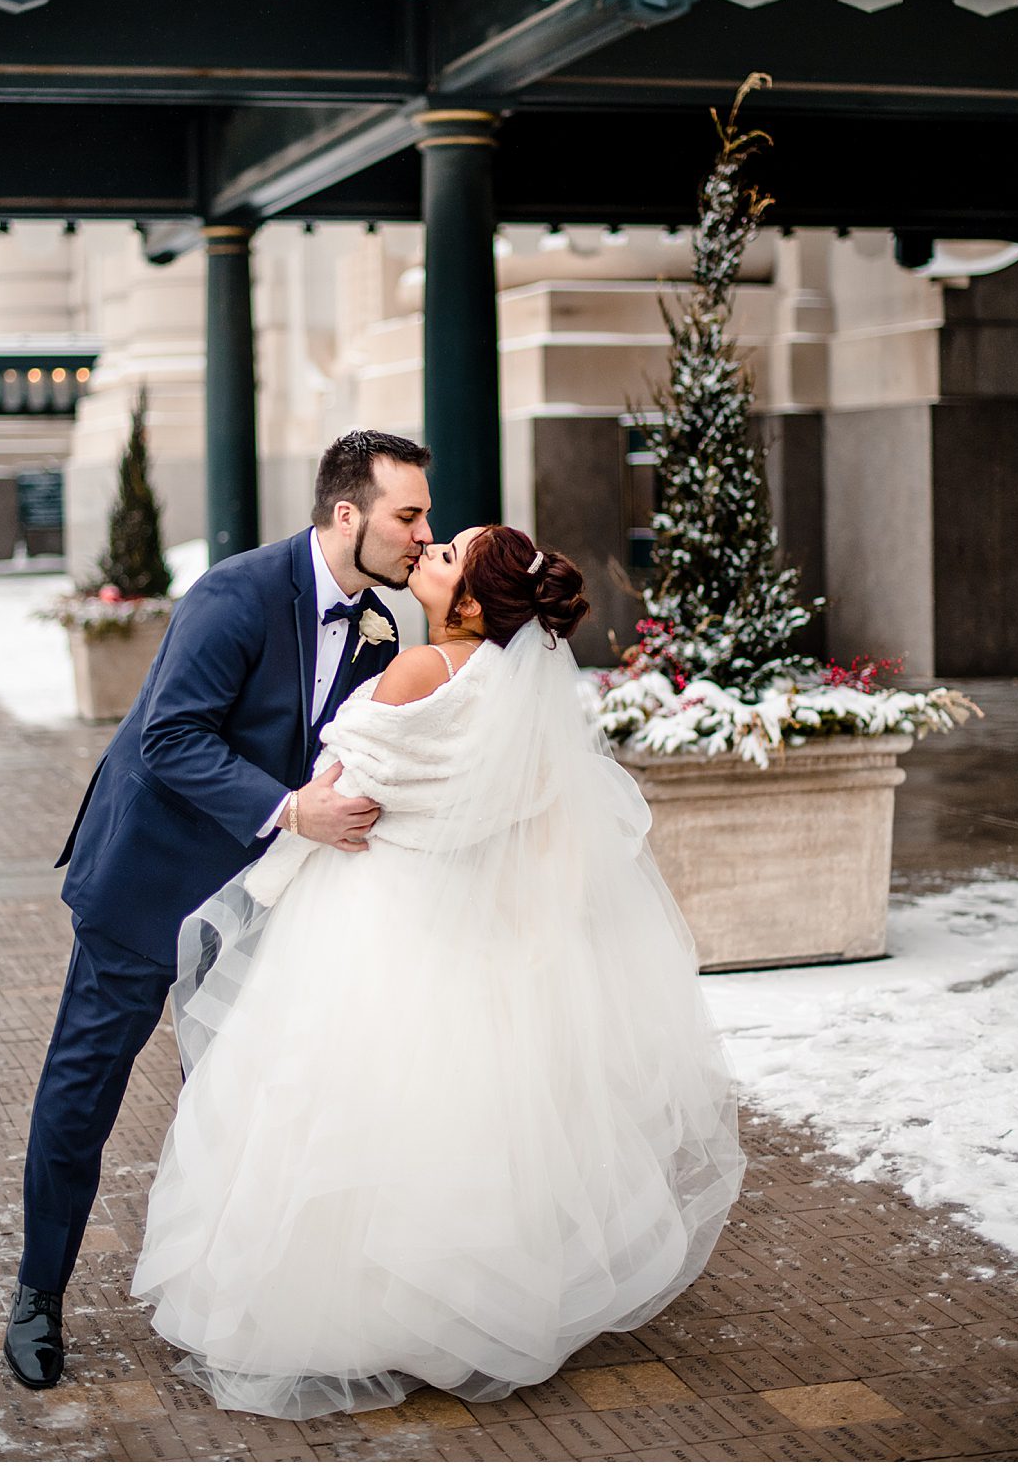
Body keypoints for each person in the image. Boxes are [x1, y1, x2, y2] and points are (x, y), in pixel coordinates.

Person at [128, 524, 742, 1418]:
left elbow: (348, 774)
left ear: (467, 605)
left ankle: (349, 1317)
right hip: (463, 919)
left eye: (448, 554)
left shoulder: (422, 670)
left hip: (376, 906)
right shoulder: (516, 693)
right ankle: (454, 1310)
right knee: (463, 1111)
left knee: (339, 1101)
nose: (429, 553)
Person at [7, 431, 433, 1390]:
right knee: (86, 1089)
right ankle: (38, 1292)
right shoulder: (235, 594)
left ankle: (214, 1292)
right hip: (147, 878)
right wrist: (291, 808)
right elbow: (169, 737)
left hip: (259, 898)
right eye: (408, 515)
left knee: (234, 1097)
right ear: (346, 515)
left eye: (424, 516)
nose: (421, 533)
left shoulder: (382, 629)